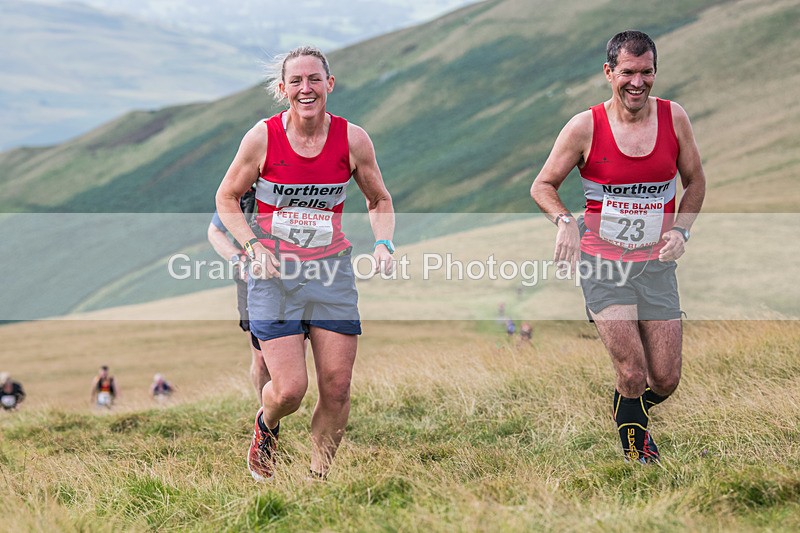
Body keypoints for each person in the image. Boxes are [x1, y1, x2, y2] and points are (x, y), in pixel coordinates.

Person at [215, 46, 395, 481]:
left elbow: (379, 199)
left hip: (330, 273)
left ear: (329, 84)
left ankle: (317, 480)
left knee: (337, 387)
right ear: (283, 89)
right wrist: (253, 245)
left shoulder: (353, 139)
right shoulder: (262, 138)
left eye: (314, 79)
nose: (306, 88)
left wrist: (384, 243)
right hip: (274, 276)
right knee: (290, 391)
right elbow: (226, 197)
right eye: (296, 81)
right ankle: (266, 425)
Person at [530, 30, 706, 463]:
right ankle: (639, 459)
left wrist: (681, 231)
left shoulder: (674, 118)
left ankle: (627, 407)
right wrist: (565, 222)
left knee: (665, 379)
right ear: (609, 72)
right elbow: (543, 185)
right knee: (631, 371)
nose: (637, 82)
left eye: (647, 72)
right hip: (602, 263)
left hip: (656, 265)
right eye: (628, 72)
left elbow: (695, 181)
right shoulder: (585, 126)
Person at [208, 186, 272, 403]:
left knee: (291, 354)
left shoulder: (287, 185)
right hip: (250, 278)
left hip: (290, 273)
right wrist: (238, 259)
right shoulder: (240, 192)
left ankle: (284, 400)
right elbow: (214, 232)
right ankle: (265, 414)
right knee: (261, 357)